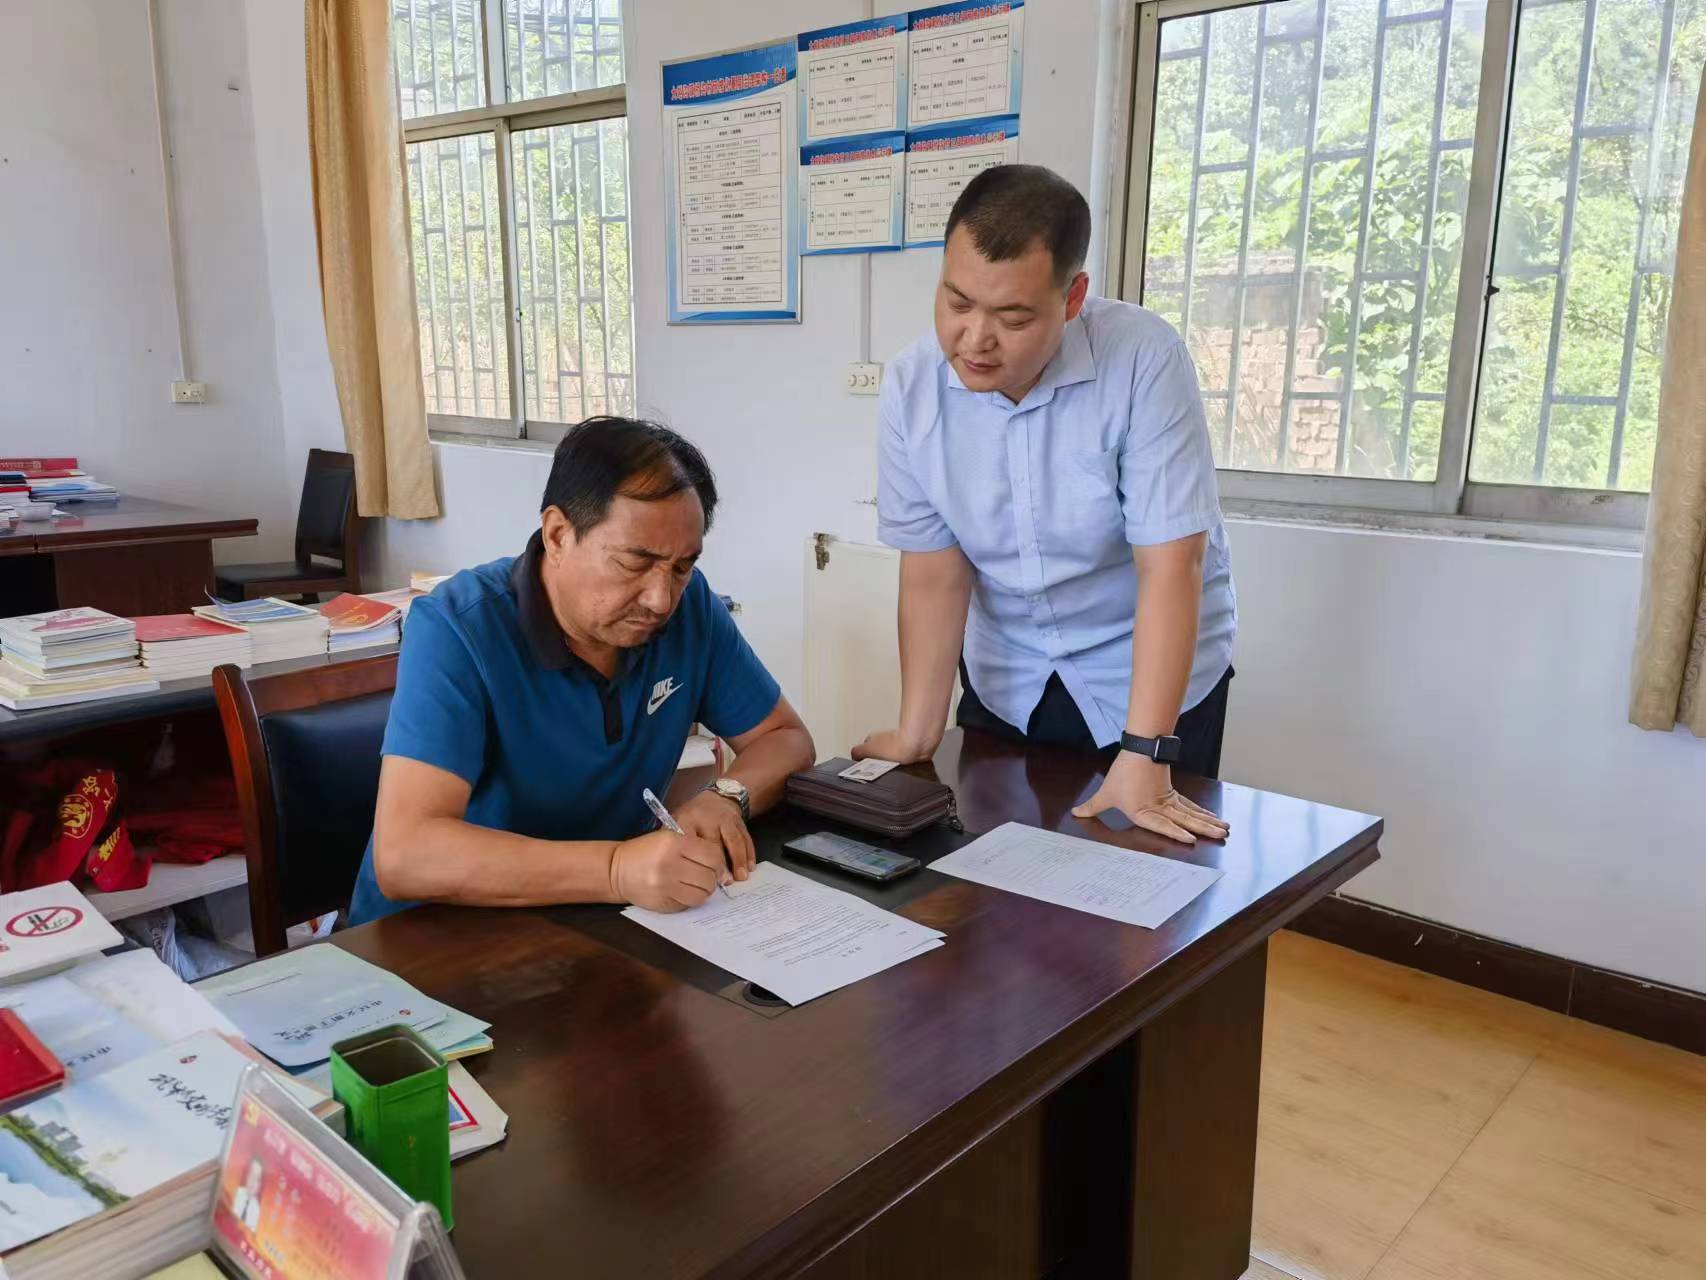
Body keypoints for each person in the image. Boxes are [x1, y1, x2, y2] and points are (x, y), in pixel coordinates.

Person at [854, 164, 1235, 845]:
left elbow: (1171, 566)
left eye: (1013, 318)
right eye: (957, 302)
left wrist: (1146, 751)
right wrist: (917, 730)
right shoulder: (913, 388)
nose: (975, 339)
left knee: (1141, 875)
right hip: (1009, 672)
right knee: (984, 871)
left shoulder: (1143, 360)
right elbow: (936, 570)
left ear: (1072, 297)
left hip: (1141, 671)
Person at [349, 417, 815, 923]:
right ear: (558, 535)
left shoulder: (690, 609)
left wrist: (725, 796)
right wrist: (615, 869)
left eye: (682, 567)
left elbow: (785, 738)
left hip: (593, 920)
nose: (660, 599)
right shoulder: (458, 628)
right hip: (436, 932)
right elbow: (406, 854)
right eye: (634, 563)